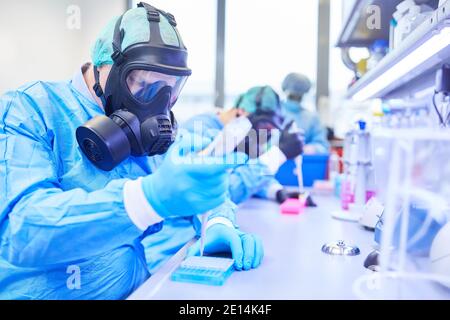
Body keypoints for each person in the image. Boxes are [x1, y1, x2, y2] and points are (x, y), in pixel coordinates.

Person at [0, 3, 260, 300]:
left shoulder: (153, 133)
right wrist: (144, 200)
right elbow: (21, 231)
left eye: (170, 88)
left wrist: (216, 220)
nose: (158, 103)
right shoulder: (30, 108)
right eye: (144, 82)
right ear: (102, 68)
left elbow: (199, 177)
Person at [143, 86, 300, 274]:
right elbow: (218, 190)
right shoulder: (199, 131)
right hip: (172, 249)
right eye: (264, 127)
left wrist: (275, 190)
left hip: (202, 236)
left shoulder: (242, 136)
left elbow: (247, 170)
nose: (264, 135)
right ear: (241, 113)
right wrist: (277, 156)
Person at [281, 73, 329, 154]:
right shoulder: (272, 113)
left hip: (303, 163)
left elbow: (322, 146)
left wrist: (311, 148)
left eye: (298, 97)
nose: (295, 99)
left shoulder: (311, 118)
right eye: (292, 96)